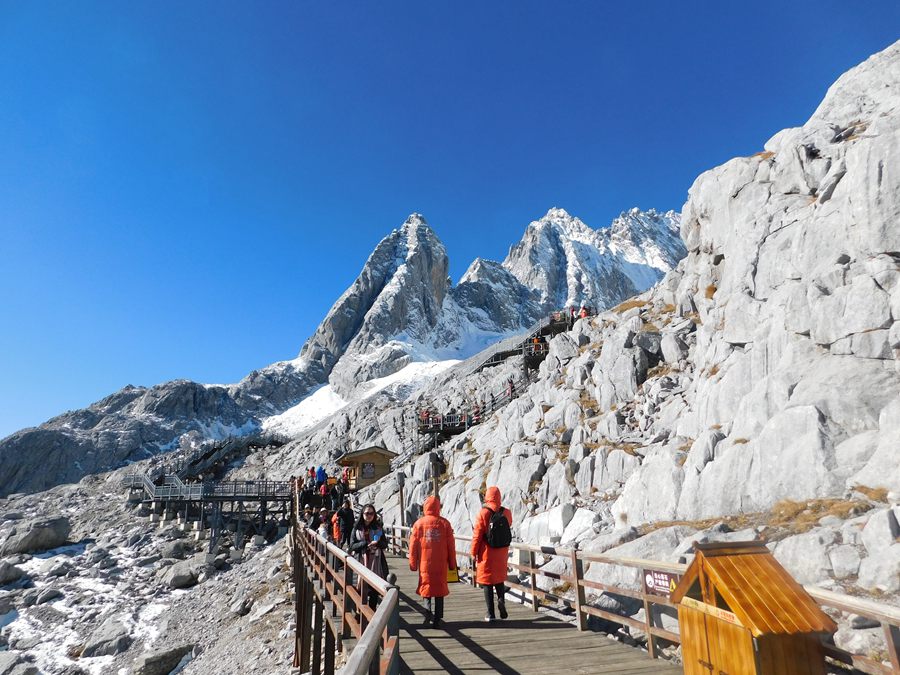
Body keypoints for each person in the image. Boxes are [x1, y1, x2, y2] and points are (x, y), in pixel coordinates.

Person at [409, 496, 456, 628]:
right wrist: (452, 564)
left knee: (426, 586)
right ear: (438, 507)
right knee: (439, 589)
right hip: (441, 564)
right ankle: (438, 618)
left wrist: (413, 564)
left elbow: (412, 546)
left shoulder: (418, 524)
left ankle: (427, 611)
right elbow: (451, 547)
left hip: (425, 563)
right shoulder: (445, 524)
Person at [470, 486, 513, 622]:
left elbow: (477, 535)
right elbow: (508, 526)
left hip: (486, 553)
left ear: (487, 497)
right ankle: (501, 600)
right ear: (499, 497)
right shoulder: (506, 512)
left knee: (487, 583)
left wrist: (473, 552)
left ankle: (491, 614)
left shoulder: (483, 513)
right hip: (501, 553)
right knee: (499, 579)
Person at [349, 504, 389, 608]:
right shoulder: (356, 528)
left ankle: (372, 613)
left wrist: (377, 543)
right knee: (361, 588)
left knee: (374, 590)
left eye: (372, 513)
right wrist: (365, 543)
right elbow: (352, 546)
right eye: (367, 513)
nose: (369, 515)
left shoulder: (378, 528)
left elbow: (385, 544)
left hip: (376, 561)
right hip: (362, 561)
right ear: (362, 514)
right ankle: (360, 613)